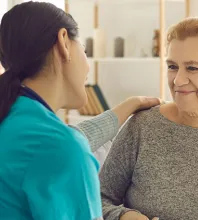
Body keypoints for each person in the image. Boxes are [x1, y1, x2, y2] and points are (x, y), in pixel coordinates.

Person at [0, 2, 161, 220]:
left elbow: (72, 137)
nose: (87, 66)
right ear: (63, 42)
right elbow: (63, 146)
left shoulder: (15, 118)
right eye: (84, 50)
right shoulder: (59, 147)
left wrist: (131, 104)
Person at [100, 16, 198, 220]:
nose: (178, 80)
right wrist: (124, 216)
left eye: (192, 68)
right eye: (172, 66)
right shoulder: (143, 126)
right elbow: (96, 199)